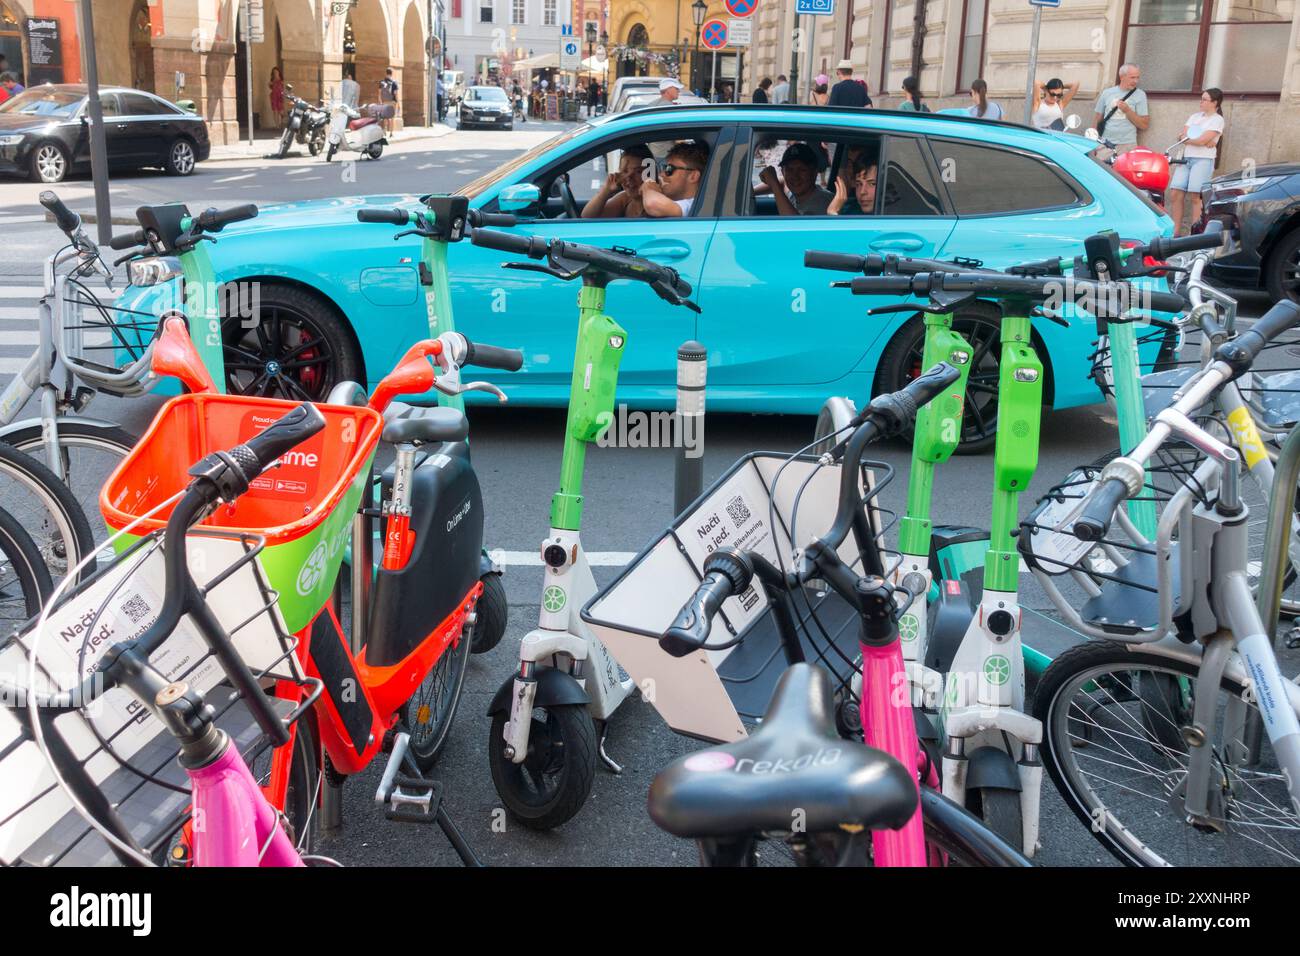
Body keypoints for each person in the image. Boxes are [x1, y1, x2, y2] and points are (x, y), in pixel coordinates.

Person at [1167, 88, 1225, 236]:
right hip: (1186, 158)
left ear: (1215, 103)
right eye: (1202, 98)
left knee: (1195, 196)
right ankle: (1175, 232)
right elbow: (1185, 136)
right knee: (1175, 192)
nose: (1201, 102)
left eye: (1205, 99)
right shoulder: (1194, 117)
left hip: (1203, 160)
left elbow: (1199, 140)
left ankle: (1195, 233)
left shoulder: (1217, 119)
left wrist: (1190, 140)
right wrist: (1194, 140)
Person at [758, 142, 833, 216]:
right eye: (789, 170)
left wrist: (774, 184)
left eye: (802, 170)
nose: (795, 176)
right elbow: (783, 182)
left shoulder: (823, 204)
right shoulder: (794, 194)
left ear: (814, 173)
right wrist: (751, 191)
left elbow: (793, 225)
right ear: (783, 173)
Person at [583, 145, 656, 218]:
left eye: (638, 171)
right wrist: (606, 191)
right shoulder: (625, 199)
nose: (629, 177)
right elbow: (587, 217)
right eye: (624, 171)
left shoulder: (659, 202)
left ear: (651, 174)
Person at [641, 140, 709, 217]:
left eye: (669, 169)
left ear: (693, 176)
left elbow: (652, 204)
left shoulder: (693, 204)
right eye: (664, 167)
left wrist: (648, 187)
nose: (662, 174)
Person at [1092, 63, 1149, 153]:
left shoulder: (1140, 95)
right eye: (1132, 77)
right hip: (1105, 144)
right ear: (1122, 77)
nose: (1136, 81)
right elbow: (1097, 118)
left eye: (1137, 78)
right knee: (1102, 167)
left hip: (1127, 145)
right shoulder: (1107, 93)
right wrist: (1092, 142)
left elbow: (1144, 125)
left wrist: (1127, 110)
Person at [379, 68, 399, 134]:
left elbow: (379, 93)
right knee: (392, 117)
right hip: (392, 102)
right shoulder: (394, 83)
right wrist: (398, 102)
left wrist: (381, 102)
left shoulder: (382, 82)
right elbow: (395, 94)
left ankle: (384, 130)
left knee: (385, 116)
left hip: (385, 101)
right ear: (391, 73)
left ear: (386, 73)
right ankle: (391, 133)